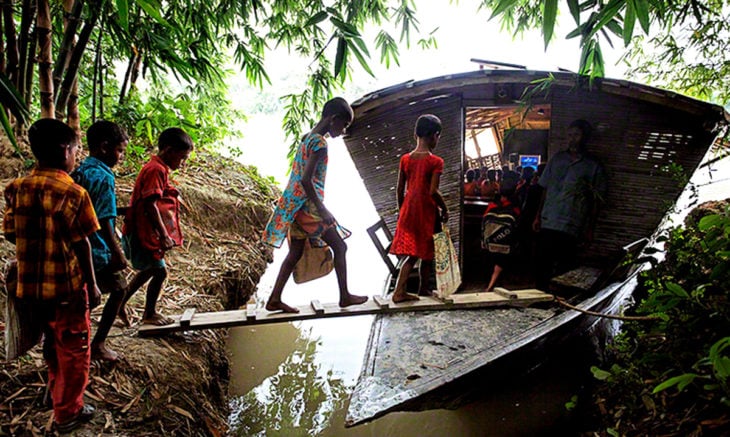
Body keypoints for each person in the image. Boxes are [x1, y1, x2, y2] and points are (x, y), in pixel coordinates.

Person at [3, 118, 101, 432]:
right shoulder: (73, 193)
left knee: (50, 339)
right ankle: (68, 412)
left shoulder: (16, 188)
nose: (77, 156)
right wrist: (93, 285)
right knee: (74, 348)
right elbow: (83, 243)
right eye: (76, 150)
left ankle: (55, 392)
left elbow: (10, 235)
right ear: (64, 151)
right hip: (66, 289)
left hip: (30, 287)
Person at [262, 97, 368, 313]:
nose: (344, 130)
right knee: (340, 246)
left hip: (294, 204)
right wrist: (323, 209)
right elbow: (306, 180)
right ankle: (345, 296)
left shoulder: (306, 138)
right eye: (344, 125)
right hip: (308, 207)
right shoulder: (320, 144)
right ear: (333, 119)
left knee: (295, 253)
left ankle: (274, 298)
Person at [120, 127, 193, 325]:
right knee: (159, 271)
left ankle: (121, 303)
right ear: (168, 151)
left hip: (140, 228)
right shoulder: (156, 169)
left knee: (150, 270)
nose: (183, 162)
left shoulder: (158, 167)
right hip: (141, 230)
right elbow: (150, 204)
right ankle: (148, 314)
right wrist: (163, 234)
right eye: (182, 157)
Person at [71, 120, 129, 361]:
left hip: (79, 244)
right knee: (119, 288)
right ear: (105, 147)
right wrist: (117, 252)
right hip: (97, 248)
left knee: (85, 291)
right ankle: (98, 343)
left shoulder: (82, 170)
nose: (121, 156)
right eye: (120, 150)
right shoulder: (104, 178)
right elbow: (104, 219)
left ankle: (72, 332)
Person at [532, 119, 607, 291]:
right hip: (549, 219)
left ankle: (560, 299)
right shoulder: (557, 160)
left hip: (572, 223)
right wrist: (537, 216)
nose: (572, 139)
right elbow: (545, 188)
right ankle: (540, 295)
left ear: (585, 137)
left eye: (577, 135)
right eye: (570, 135)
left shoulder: (593, 166)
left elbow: (596, 200)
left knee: (566, 264)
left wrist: (590, 228)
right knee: (542, 261)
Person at [389, 114, 449, 303]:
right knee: (419, 254)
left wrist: (401, 211)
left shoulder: (406, 159)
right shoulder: (435, 161)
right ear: (434, 135)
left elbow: (399, 189)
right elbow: (432, 191)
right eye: (438, 137)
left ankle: (422, 290)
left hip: (409, 209)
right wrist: (445, 207)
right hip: (426, 212)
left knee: (421, 251)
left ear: (416, 134)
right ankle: (401, 292)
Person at [482, 171, 521, 292]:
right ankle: (493, 281)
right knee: (505, 255)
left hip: (489, 245)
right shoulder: (515, 209)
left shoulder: (492, 206)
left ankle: (491, 281)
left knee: (496, 256)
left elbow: (483, 222)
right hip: (506, 246)